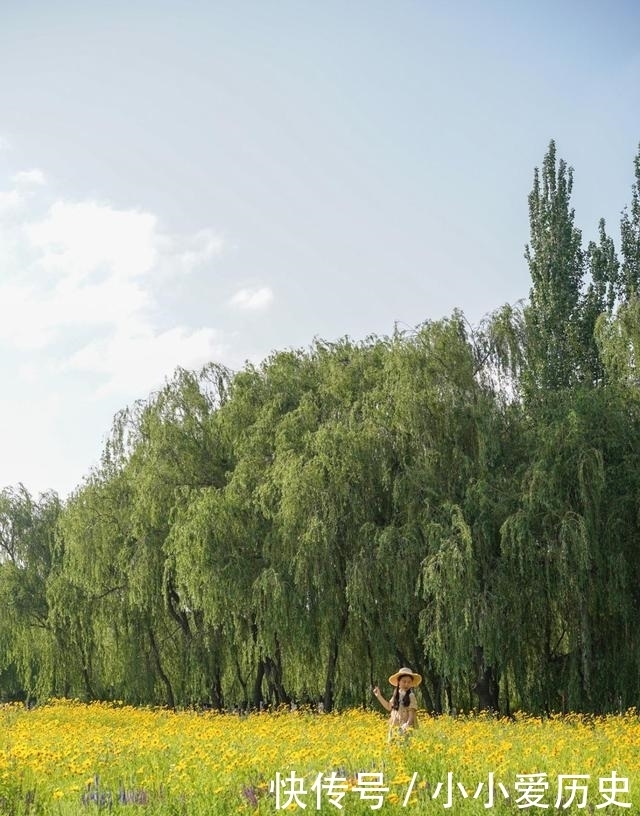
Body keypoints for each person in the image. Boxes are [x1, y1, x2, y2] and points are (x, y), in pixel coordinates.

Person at [373, 667, 421, 740]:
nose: (406, 684)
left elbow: (411, 715)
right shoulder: (396, 695)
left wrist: (406, 726)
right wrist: (379, 696)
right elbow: (388, 707)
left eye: (409, 682)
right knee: (392, 748)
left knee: (403, 748)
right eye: (404, 681)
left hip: (404, 728)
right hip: (393, 727)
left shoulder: (411, 696)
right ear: (399, 682)